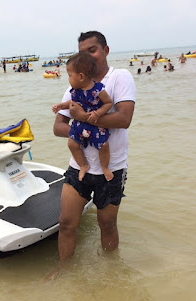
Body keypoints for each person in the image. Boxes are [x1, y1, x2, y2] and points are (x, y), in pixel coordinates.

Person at [53, 31, 135, 261]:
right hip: (79, 167)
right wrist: (85, 129)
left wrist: (83, 119)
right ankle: (63, 270)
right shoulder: (74, 87)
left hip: (112, 167)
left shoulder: (119, 77)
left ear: (106, 51)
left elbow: (124, 119)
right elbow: (58, 127)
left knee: (107, 224)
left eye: (93, 50)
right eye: (82, 53)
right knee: (66, 223)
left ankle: (111, 275)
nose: (88, 56)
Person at [52, 52, 114, 181]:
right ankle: (83, 165)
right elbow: (72, 103)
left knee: (104, 146)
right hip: (78, 126)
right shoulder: (75, 91)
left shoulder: (98, 90)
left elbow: (108, 103)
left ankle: (105, 167)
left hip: (95, 124)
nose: (68, 79)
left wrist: (98, 113)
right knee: (72, 144)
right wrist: (61, 106)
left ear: (81, 76)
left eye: (70, 76)